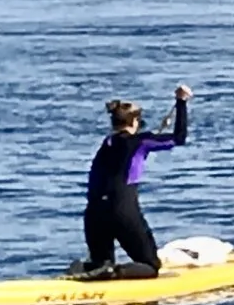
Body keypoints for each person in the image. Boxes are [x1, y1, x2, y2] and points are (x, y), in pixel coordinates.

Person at [74, 87, 191, 279]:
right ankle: (116, 272)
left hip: (93, 214)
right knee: (151, 266)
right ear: (135, 121)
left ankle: (95, 268)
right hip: (122, 210)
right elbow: (179, 138)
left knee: (100, 265)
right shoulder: (141, 142)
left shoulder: (106, 144)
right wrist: (181, 102)